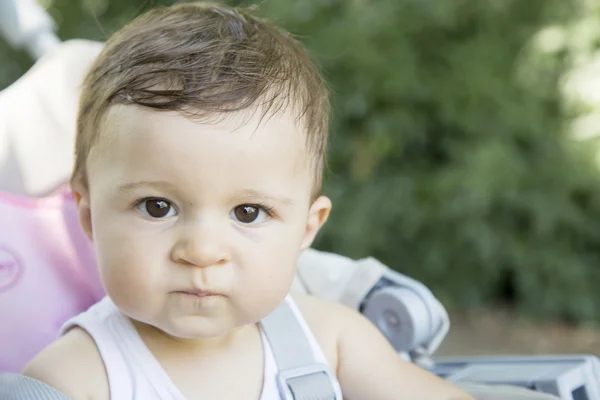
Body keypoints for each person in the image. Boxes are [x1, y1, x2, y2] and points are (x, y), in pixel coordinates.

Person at [21, 3, 473, 399]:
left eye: (247, 212)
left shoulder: (331, 341)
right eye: (157, 206)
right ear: (89, 216)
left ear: (306, 229)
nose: (201, 251)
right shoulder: (72, 379)